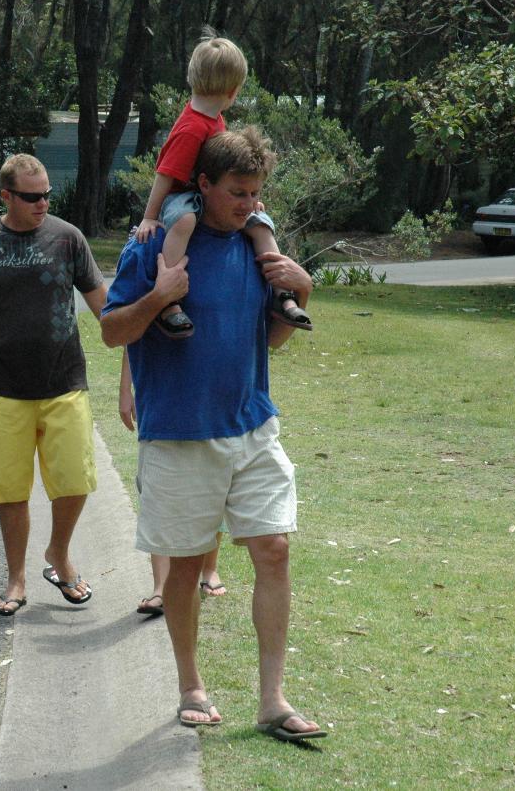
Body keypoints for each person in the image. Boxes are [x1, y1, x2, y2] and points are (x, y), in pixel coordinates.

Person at [101, 127, 326, 741]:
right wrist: (158, 297)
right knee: (182, 566)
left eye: (256, 193)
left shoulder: (259, 252)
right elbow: (112, 332)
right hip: (178, 434)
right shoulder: (154, 247)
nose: (248, 204)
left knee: (274, 549)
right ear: (202, 185)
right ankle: (189, 684)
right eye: (236, 193)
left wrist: (299, 290)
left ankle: (273, 700)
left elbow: (271, 340)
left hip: (253, 427)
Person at [0, 153, 109, 617]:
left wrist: (139, 336)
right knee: (10, 488)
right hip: (3, 388)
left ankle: (58, 553)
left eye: (47, 196)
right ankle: (16, 578)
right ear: (6, 196)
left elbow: (105, 307)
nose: (43, 204)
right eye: (32, 197)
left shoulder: (68, 238)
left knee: (75, 479)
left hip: (65, 383)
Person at [133, 29, 310, 339]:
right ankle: (170, 300)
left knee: (261, 223)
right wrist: (150, 216)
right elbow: (165, 174)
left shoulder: (215, 119)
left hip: (207, 194)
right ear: (233, 90)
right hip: (183, 197)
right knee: (185, 219)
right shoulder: (192, 127)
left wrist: (246, 199)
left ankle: (283, 294)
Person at [118, 354, 226, 618]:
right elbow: (131, 334)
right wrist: (124, 389)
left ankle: (209, 569)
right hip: (158, 397)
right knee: (156, 497)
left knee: (213, 487)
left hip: (211, 392)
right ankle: (161, 588)